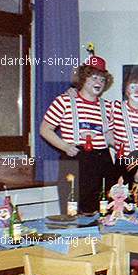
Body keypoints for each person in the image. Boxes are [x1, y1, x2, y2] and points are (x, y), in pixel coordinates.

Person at [40, 53, 116, 213]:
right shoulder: (64, 101)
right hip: (75, 160)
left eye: (102, 79)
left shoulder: (107, 106)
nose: (99, 82)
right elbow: (45, 130)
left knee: (107, 211)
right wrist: (65, 146)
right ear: (83, 79)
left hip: (103, 161)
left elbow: (110, 136)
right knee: (73, 214)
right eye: (94, 78)